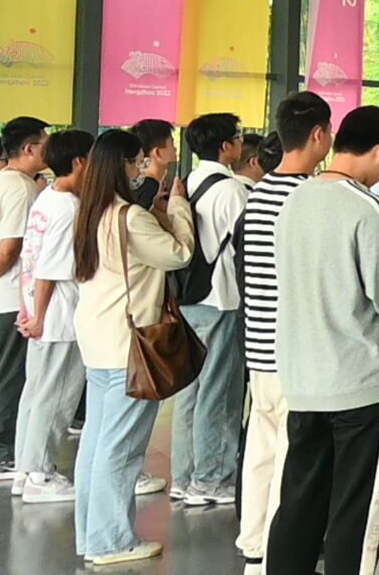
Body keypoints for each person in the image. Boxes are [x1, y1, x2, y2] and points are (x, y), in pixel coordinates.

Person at [266, 105, 379, 575]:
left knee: (300, 502)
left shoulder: (294, 200)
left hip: (304, 380)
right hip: (363, 382)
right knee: (361, 511)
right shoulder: (364, 207)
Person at [72, 128, 195, 565]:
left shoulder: (89, 212)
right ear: (121, 166)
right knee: (121, 449)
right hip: (131, 345)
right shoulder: (129, 217)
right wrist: (178, 207)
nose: (142, 169)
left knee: (96, 444)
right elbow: (179, 253)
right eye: (137, 162)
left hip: (98, 339)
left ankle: (92, 536)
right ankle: (112, 542)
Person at [237, 91, 334, 567]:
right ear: (318, 135)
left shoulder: (258, 193)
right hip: (295, 352)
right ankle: (279, 553)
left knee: (261, 448)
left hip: (258, 346)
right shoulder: (308, 196)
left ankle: (253, 546)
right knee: (291, 459)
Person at [172, 112, 249, 507]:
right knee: (218, 391)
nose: (241, 142)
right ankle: (210, 479)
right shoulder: (232, 190)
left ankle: (183, 476)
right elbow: (247, 247)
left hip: (188, 298)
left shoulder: (186, 183)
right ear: (225, 146)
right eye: (238, 136)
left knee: (190, 390)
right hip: (221, 298)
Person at [12, 129, 92, 503]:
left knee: (36, 394)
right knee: (56, 398)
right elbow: (48, 270)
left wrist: (27, 309)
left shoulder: (45, 198)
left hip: (36, 310)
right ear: (79, 162)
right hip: (57, 318)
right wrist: (41, 316)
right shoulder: (69, 208)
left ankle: (25, 469)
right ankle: (40, 475)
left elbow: (28, 259)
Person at [0, 115, 48, 481]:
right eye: (45, 144)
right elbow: (10, 249)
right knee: (9, 378)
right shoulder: (21, 189)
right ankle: (5, 454)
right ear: (28, 149)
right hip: (10, 296)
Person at [128, 119, 176, 211]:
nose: (175, 149)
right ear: (157, 153)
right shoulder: (153, 188)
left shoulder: (131, 185)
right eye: (172, 144)